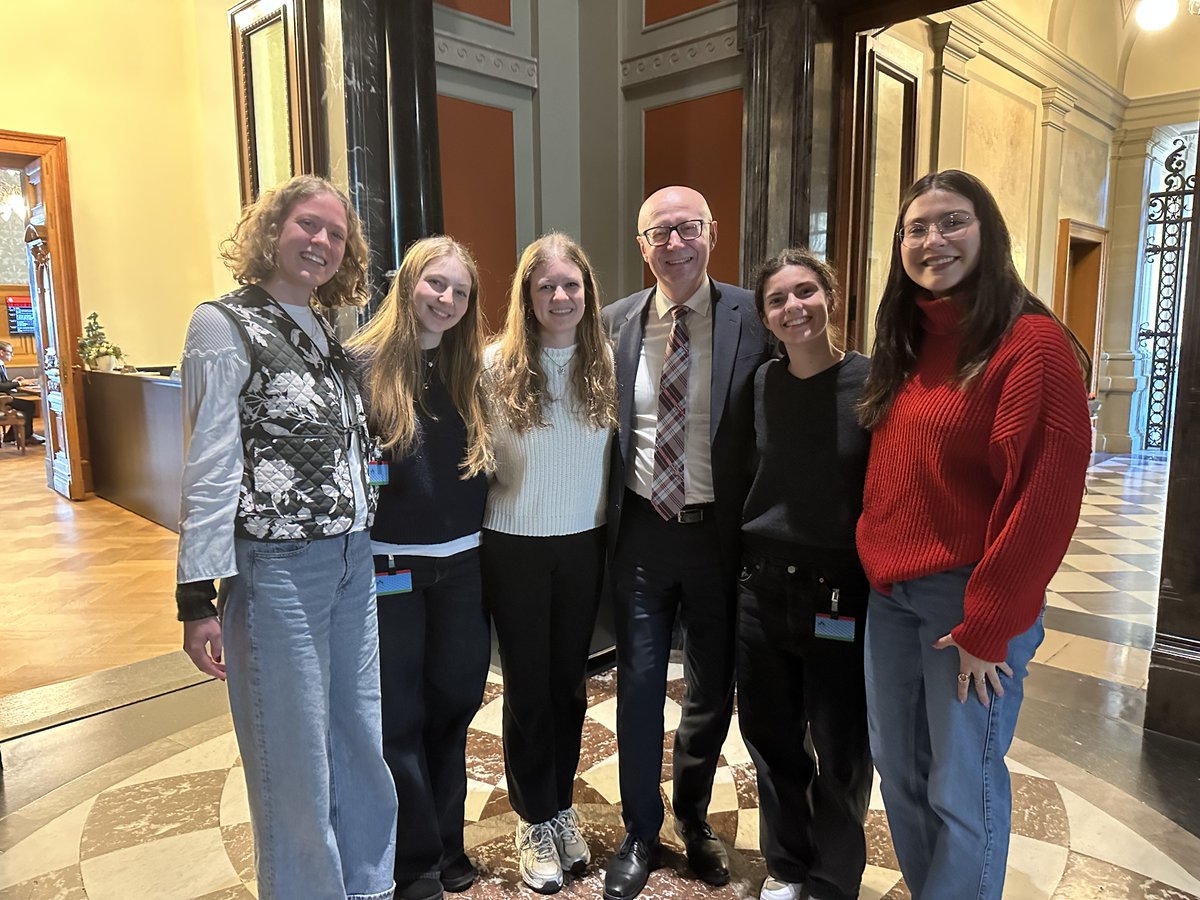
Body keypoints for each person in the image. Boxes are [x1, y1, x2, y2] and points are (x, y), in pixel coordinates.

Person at [856, 169, 1092, 900]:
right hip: (892, 598)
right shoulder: (907, 342)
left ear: (989, 233)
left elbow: (1046, 499)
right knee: (900, 773)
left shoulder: (1033, 346)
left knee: (963, 791)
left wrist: (989, 624)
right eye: (917, 228)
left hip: (969, 607)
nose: (934, 240)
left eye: (952, 222)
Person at [175, 175, 397, 900]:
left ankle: (369, 886)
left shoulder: (328, 330)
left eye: (337, 233)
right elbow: (209, 465)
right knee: (292, 761)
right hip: (277, 568)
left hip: (351, 560)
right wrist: (194, 596)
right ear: (272, 231)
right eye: (309, 224)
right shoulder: (223, 323)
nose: (323, 242)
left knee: (360, 744)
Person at [601, 185, 768, 900]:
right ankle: (641, 829)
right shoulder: (612, 324)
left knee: (709, 689)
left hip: (717, 537)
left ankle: (694, 818)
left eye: (687, 228)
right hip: (640, 531)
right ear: (641, 247)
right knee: (637, 685)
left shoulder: (755, 317)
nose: (674, 243)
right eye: (658, 232)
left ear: (712, 233)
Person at [346, 236, 492, 900]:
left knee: (455, 708)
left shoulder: (469, 370)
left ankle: (450, 844)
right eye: (437, 284)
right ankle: (416, 864)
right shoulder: (361, 366)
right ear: (407, 284)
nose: (448, 300)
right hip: (389, 571)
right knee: (399, 718)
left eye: (460, 292)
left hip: (463, 567)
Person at [481, 233, 617, 894]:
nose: (561, 297)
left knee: (569, 684)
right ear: (527, 296)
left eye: (572, 285)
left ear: (587, 292)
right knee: (529, 687)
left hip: (583, 545)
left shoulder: (607, 366)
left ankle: (559, 805)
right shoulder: (492, 366)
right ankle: (531, 817)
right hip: (514, 545)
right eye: (547, 287)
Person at [738, 249, 873, 900]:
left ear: (831, 296)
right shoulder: (760, 386)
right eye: (777, 300)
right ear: (764, 316)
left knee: (841, 747)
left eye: (806, 292)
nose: (794, 308)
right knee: (770, 737)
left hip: (841, 594)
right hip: (763, 588)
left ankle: (832, 879)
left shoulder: (873, 385)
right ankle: (788, 866)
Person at [0, 340, 41, 445]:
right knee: (29, 405)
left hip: (3, 396)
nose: (12, 355)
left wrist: (13, 382)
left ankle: (10, 436)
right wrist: (19, 384)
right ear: (1, 352)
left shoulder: (1, 364)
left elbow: (3, 383)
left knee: (27, 405)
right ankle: (26, 436)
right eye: (10, 352)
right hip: (2, 399)